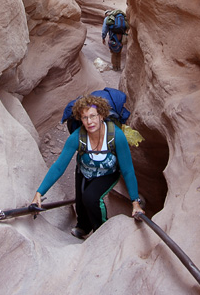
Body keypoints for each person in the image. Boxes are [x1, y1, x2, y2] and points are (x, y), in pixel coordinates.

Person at [31, 95, 144, 239]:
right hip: (84, 171)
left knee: (91, 198)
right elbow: (59, 167)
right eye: (85, 118)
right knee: (81, 203)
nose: (89, 122)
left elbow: (128, 170)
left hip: (107, 173)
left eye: (93, 116)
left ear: (101, 115)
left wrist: (135, 202)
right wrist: (39, 193)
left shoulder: (116, 136)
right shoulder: (77, 137)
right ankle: (83, 227)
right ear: (80, 119)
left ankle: (101, 231)